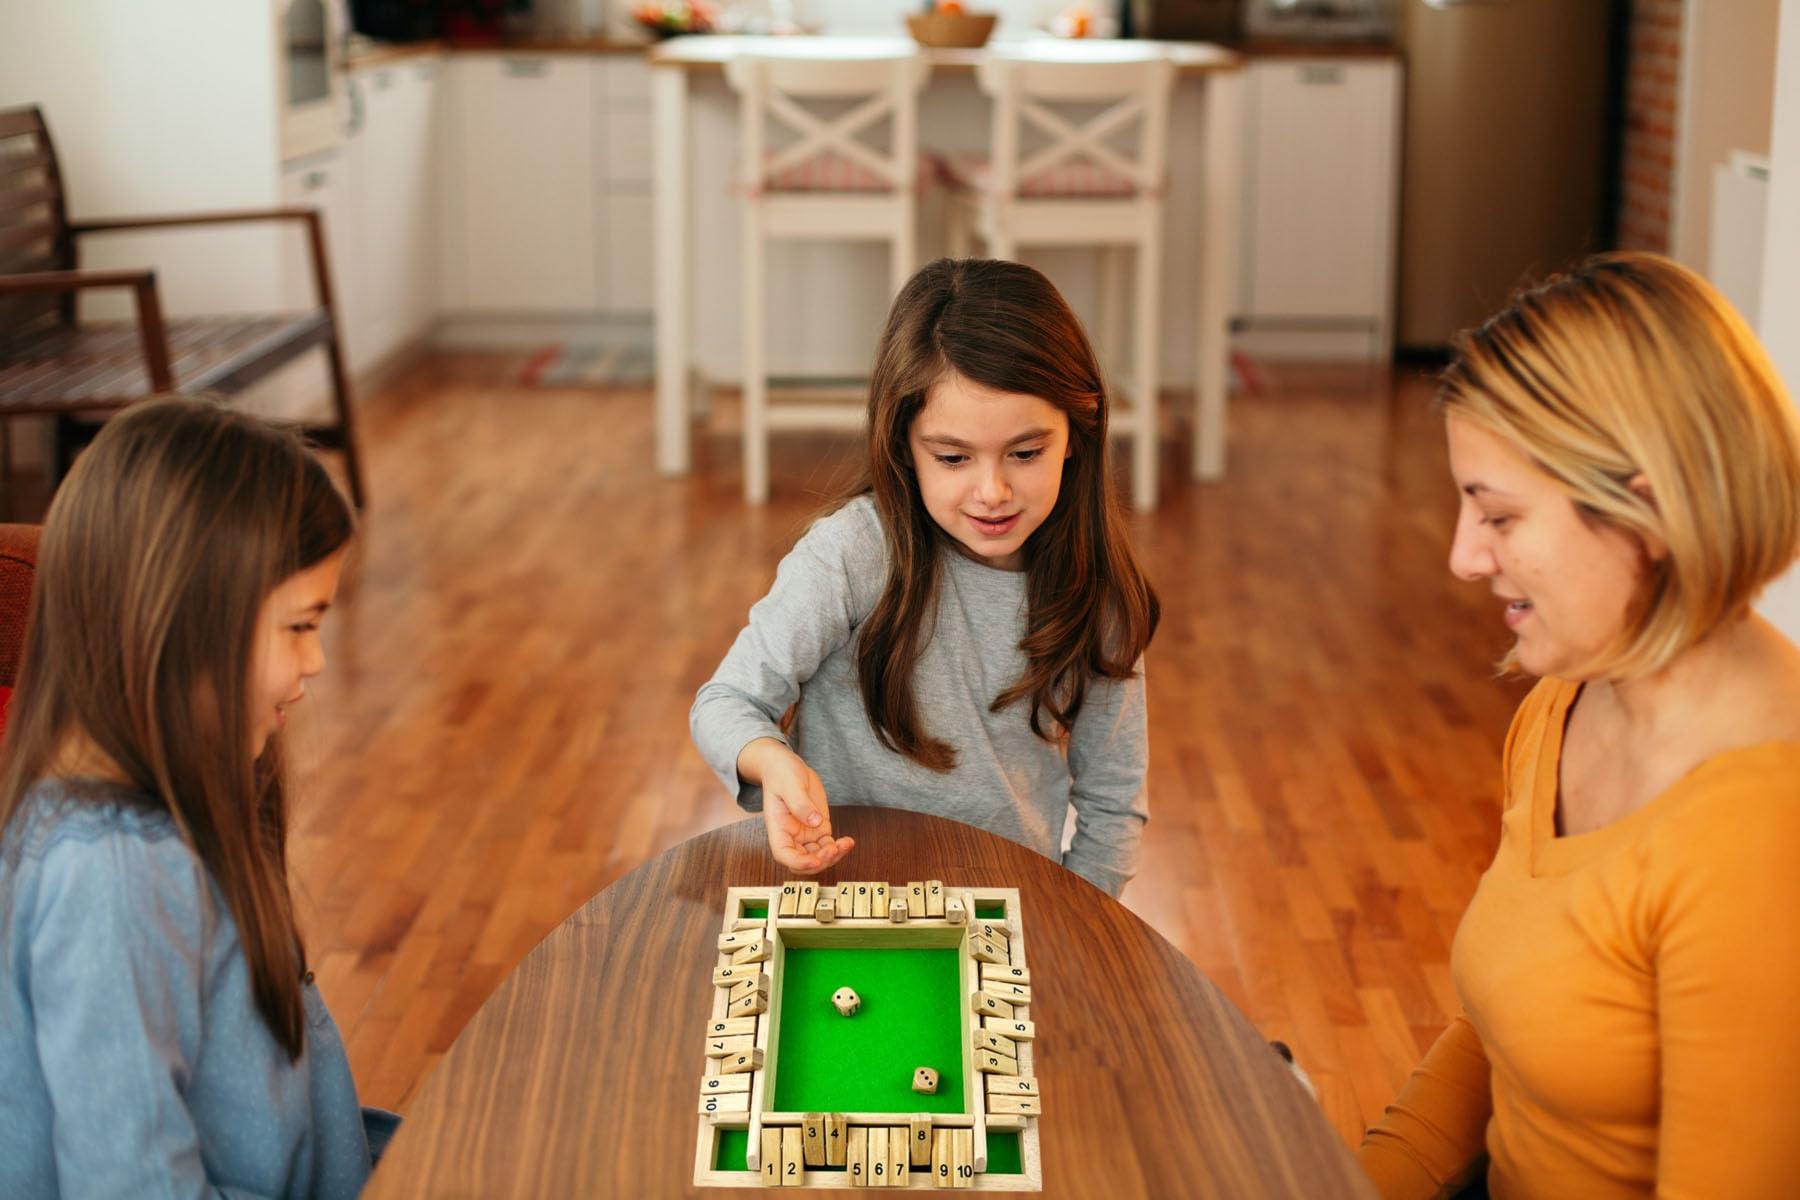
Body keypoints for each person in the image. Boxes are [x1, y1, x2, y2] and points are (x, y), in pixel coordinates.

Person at [1358, 253, 1800, 1198]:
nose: (1464, 557)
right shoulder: (1568, 698)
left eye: (1501, 516)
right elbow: (1501, 1029)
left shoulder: (1761, 836)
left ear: (1646, 510)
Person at [0, 398, 390, 1197]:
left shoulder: (166, 810)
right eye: (298, 627)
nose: (315, 663)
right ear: (185, 623)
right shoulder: (112, 874)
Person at [690, 257, 1159, 897]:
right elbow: (727, 702)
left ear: (1077, 433)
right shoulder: (852, 554)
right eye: (953, 457)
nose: (992, 491)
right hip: (846, 905)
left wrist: (1075, 924)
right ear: (903, 444)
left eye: (1026, 453)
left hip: (1005, 915)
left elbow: (1112, 801)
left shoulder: (1095, 594)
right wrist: (772, 759)